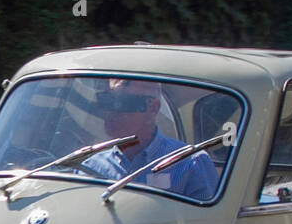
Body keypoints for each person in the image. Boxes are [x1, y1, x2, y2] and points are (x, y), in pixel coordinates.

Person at [82, 78, 218, 200]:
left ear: (153, 108)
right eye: (106, 101)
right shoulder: (89, 167)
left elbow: (207, 223)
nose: (112, 111)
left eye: (124, 103)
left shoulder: (190, 162)